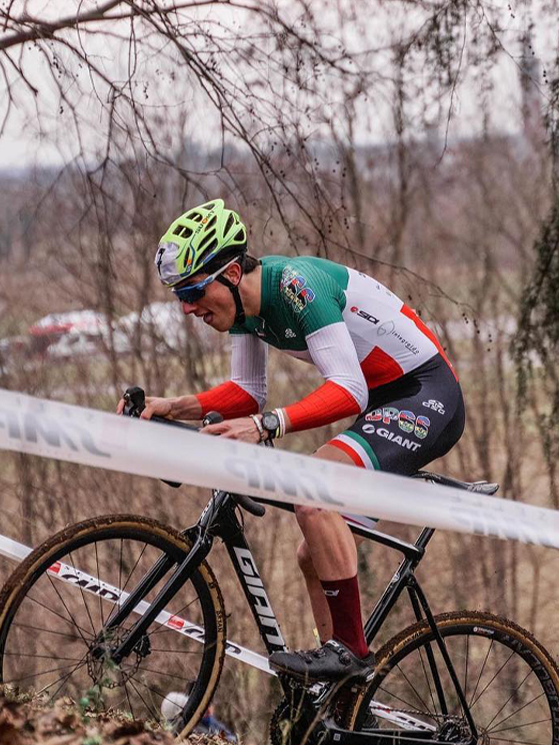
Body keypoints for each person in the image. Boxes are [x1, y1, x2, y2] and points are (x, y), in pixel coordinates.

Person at [118, 198, 465, 684]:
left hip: (425, 395)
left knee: (311, 494)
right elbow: (247, 392)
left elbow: (348, 389)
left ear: (232, 274)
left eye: (193, 291)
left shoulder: (295, 286)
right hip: (384, 401)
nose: (188, 307)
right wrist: (172, 406)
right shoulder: (245, 310)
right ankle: (340, 697)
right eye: (181, 295)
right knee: (313, 554)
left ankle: (350, 653)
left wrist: (265, 426)